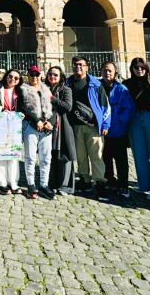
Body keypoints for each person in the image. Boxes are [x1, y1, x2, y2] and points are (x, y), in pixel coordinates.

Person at [65, 56, 111, 198]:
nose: (77, 67)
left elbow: (105, 106)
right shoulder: (68, 83)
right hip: (76, 126)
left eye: (80, 65)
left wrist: (105, 124)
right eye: (75, 65)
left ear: (87, 67)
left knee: (96, 155)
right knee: (81, 155)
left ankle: (99, 181)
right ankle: (84, 179)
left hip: (93, 126)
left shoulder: (95, 84)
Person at [124, 58, 150, 201]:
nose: (139, 69)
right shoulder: (127, 84)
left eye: (142, 67)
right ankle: (144, 184)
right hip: (134, 119)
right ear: (132, 69)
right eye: (136, 67)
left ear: (147, 68)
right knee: (139, 153)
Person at [17, 66, 54, 199]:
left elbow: (52, 107)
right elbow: (22, 108)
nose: (34, 77)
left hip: (46, 127)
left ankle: (44, 184)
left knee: (45, 158)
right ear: (28, 75)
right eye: (32, 74)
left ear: (40, 76)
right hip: (31, 126)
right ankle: (31, 184)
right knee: (30, 157)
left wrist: (50, 122)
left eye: (37, 75)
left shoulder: (46, 89)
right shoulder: (23, 89)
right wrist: (36, 120)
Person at [100, 62, 135, 198]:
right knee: (105, 158)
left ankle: (123, 185)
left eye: (110, 71)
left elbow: (129, 108)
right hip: (102, 130)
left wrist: (119, 121)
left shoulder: (121, 89)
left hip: (117, 130)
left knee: (121, 160)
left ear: (115, 73)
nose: (107, 73)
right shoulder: (98, 87)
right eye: (105, 70)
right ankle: (109, 180)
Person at [0, 68, 21, 194]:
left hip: (14, 125)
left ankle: (13, 182)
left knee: (13, 154)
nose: (12, 79)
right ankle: (0, 182)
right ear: (6, 76)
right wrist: (0, 109)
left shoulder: (20, 91)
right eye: (10, 76)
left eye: (16, 78)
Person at [44, 66, 75, 195]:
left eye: (55, 75)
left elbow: (67, 106)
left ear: (61, 77)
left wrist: (52, 98)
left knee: (65, 155)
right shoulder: (44, 89)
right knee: (52, 155)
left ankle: (66, 185)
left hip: (63, 126)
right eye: (50, 74)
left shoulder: (66, 89)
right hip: (49, 126)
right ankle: (53, 183)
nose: (52, 77)